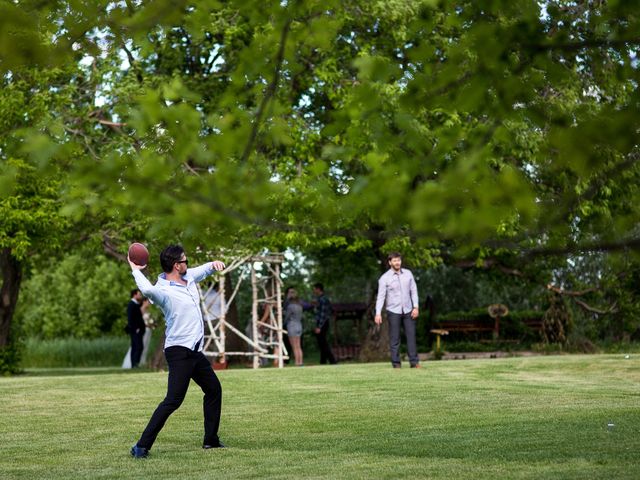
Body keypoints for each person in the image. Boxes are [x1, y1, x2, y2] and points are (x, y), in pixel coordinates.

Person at [128, 244, 226, 458]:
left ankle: (211, 440)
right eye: (185, 261)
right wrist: (136, 270)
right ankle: (141, 446)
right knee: (173, 400)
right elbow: (147, 290)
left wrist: (214, 264)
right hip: (178, 352)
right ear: (176, 265)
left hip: (194, 351)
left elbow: (205, 269)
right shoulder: (163, 291)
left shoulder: (188, 276)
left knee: (213, 389)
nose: (188, 264)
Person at [375, 252, 420, 368]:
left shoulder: (408, 274)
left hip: (409, 310)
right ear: (390, 262)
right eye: (394, 260)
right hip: (393, 311)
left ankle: (414, 363)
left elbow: (414, 291)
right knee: (395, 339)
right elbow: (381, 297)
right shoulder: (384, 278)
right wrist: (378, 313)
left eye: (398, 260)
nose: (397, 262)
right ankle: (396, 364)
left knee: (411, 336)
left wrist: (416, 307)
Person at [312, 283, 337, 365]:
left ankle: (332, 360)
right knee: (321, 343)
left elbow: (323, 314)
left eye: (314, 289)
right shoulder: (321, 299)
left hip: (322, 323)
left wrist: (319, 326)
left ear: (318, 289)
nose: (313, 290)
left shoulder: (323, 299)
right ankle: (323, 361)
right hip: (322, 323)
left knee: (323, 342)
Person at [127, 289, 146, 368]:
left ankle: (135, 364)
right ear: (134, 295)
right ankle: (134, 364)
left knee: (137, 346)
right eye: (139, 294)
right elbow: (130, 318)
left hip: (138, 330)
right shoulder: (131, 304)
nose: (140, 296)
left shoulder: (136, 304)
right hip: (135, 330)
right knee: (137, 346)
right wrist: (135, 328)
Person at [285, 289, 304, 366]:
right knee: (298, 345)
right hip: (299, 325)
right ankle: (300, 361)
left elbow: (287, 317)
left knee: (294, 346)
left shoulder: (290, 306)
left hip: (292, 326)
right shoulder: (300, 306)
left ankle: (297, 362)